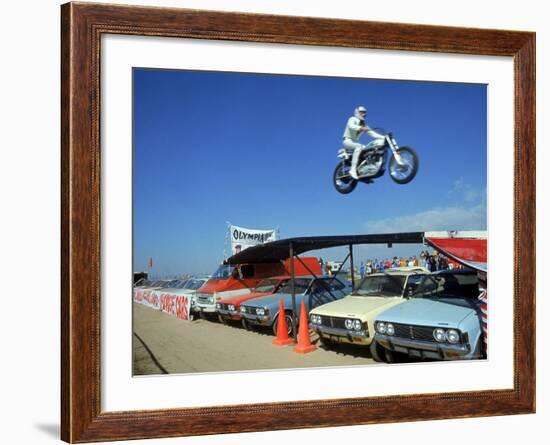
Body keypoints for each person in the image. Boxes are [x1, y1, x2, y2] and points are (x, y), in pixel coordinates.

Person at [342, 106, 386, 179]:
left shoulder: (363, 124)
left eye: (365, 113)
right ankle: (352, 170)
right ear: (357, 112)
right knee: (359, 147)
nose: (364, 114)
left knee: (367, 150)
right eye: (362, 112)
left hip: (355, 142)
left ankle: (365, 171)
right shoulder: (352, 119)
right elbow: (351, 126)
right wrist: (361, 128)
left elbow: (372, 134)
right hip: (347, 140)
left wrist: (384, 137)